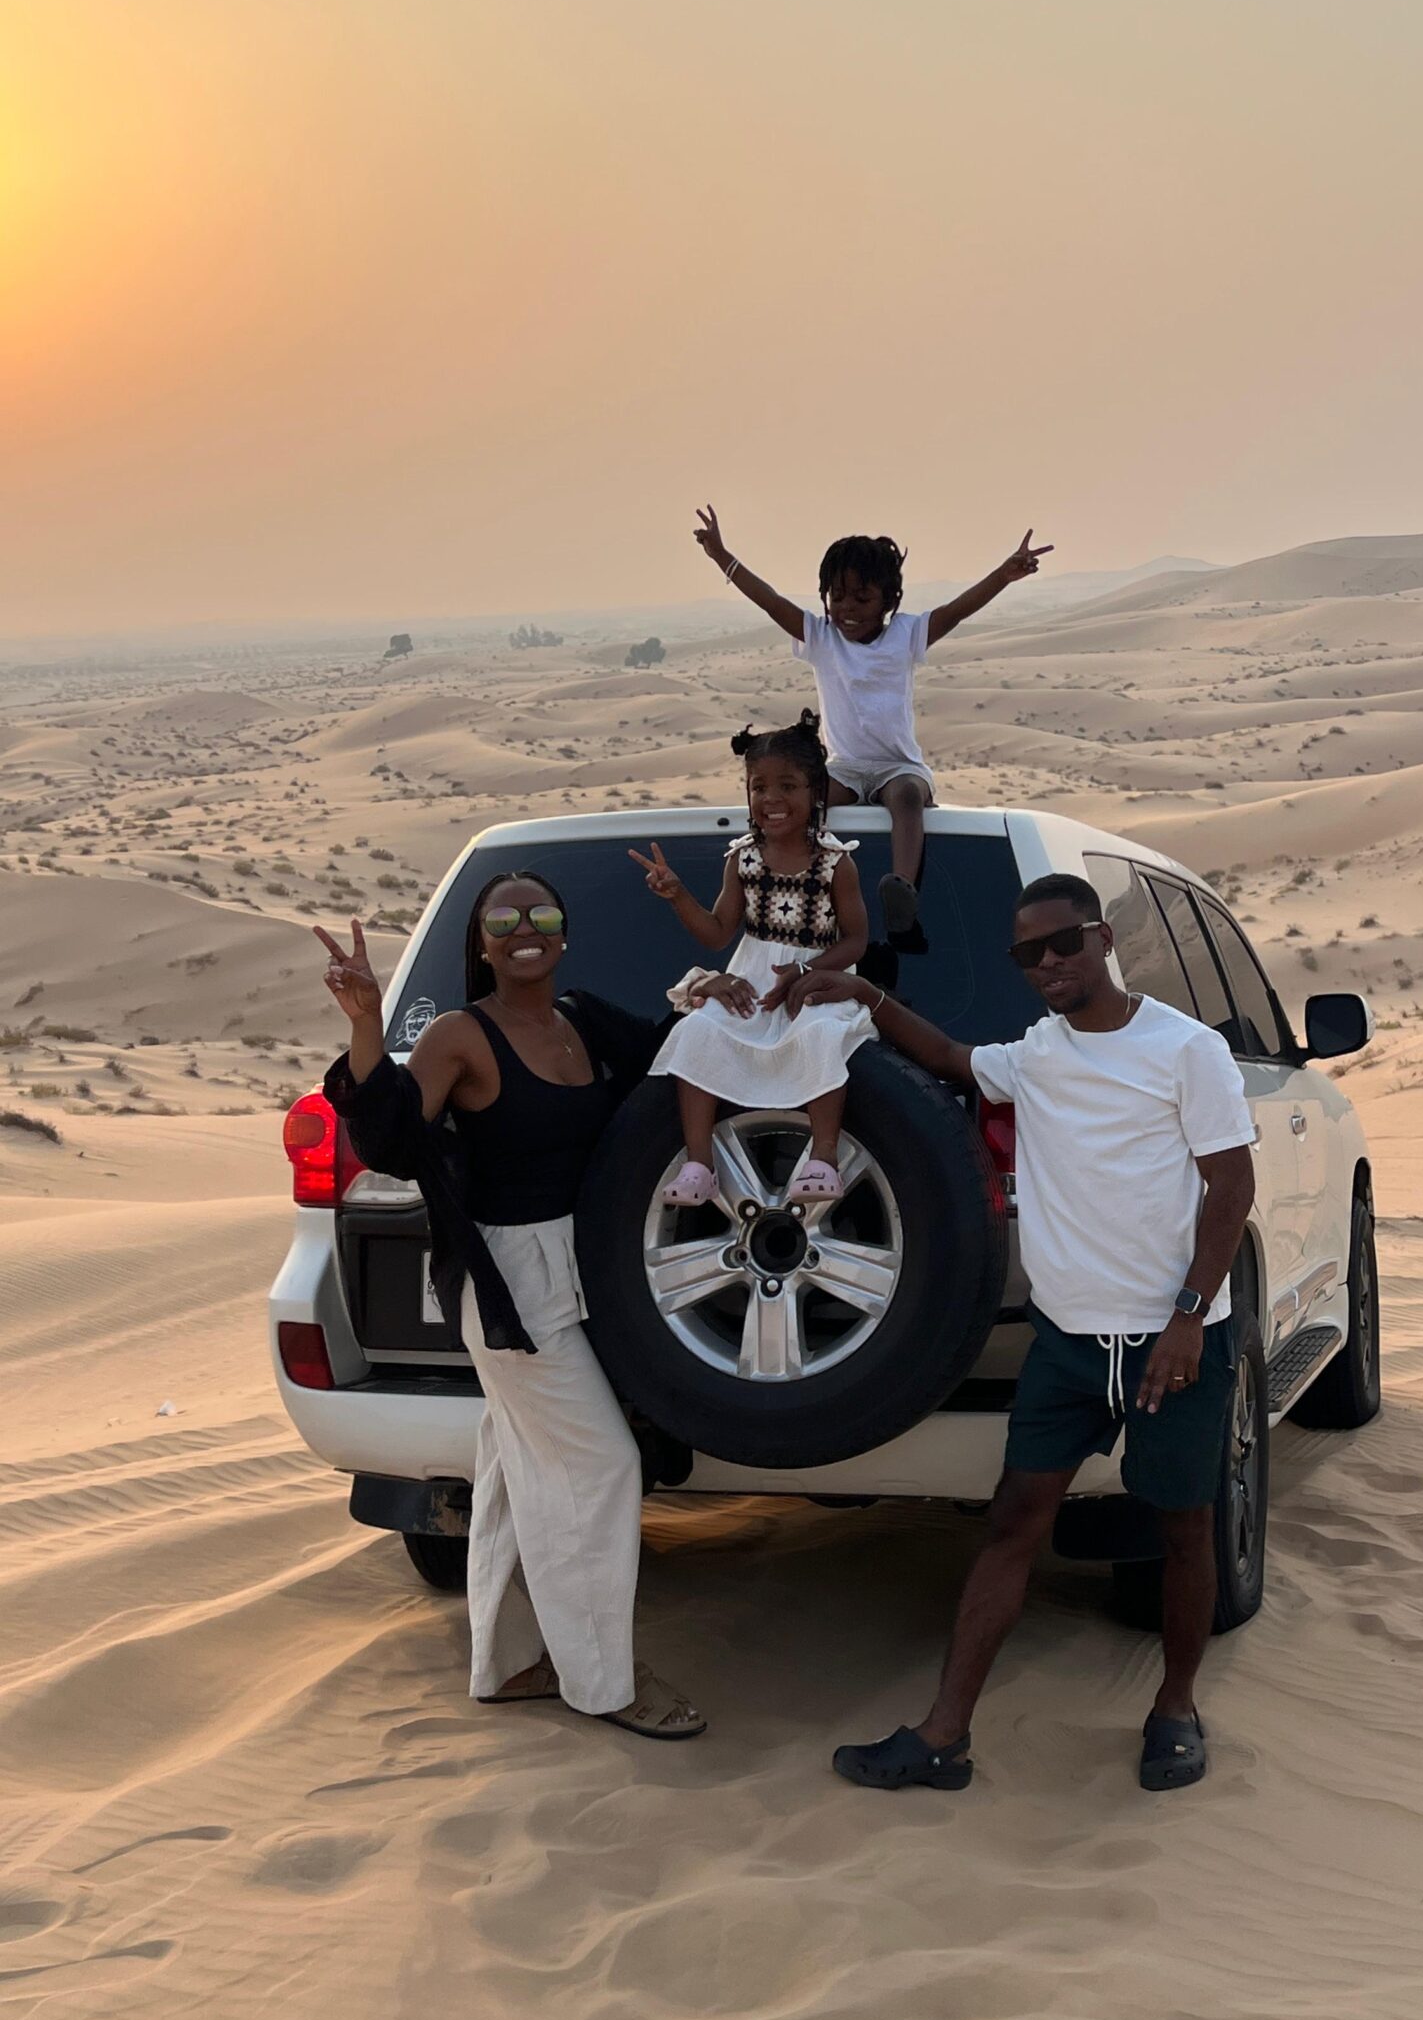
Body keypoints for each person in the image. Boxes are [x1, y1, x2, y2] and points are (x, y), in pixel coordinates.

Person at [786, 873, 1256, 1793]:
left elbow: (1232, 1189)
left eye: (1063, 945)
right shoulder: (1037, 1053)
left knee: (1185, 1529)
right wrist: (869, 997)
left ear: (1103, 939)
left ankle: (1177, 1709)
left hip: (1174, 1343)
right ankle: (942, 1735)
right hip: (1071, 1346)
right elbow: (958, 1059)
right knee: (1011, 1526)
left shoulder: (1186, 1050)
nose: (1046, 965)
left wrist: (1190, 1318)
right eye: (1027, 954)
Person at [314, 881, 706, 1740]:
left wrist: (710, 993)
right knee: (598, 1465)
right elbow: (390, 1143)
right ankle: (601, 1683)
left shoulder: (582, 1020)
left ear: (565, 934)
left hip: (592, 1270)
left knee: (510, 1459)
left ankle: (505, 1660)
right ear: (481, 942)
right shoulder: (463, 1035)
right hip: (511, 1287)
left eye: (543, 917)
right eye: (504, 920)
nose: (525, 932)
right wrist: (367, 1025)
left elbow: (664, 1055)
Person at [691, 503, 1052, 938]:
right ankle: (801, 887)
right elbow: (770, 601)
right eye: (836, 597)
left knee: (906, 799)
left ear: (888, 601)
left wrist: (1004, 574)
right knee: (808, 802)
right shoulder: (821, 638)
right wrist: (722, 558)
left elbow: (957, 610)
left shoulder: (906, 635)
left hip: (898, 764)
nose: (846, 608)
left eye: (861, 598)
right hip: (844, 767)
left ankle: (901, 891)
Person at [638, 711, 874, 1207]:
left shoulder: (836, 863)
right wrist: (678, 895)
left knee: (822, 1034)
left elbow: (857, 939)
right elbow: (717, 933)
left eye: (787, 786)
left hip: (815, 986)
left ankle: (823, 1158)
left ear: (816, 792)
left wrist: (809, 972)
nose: (771, 800)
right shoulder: (741, 859)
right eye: (758, 787)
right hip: (753, 987)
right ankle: (699, 1163)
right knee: (697, 1032)